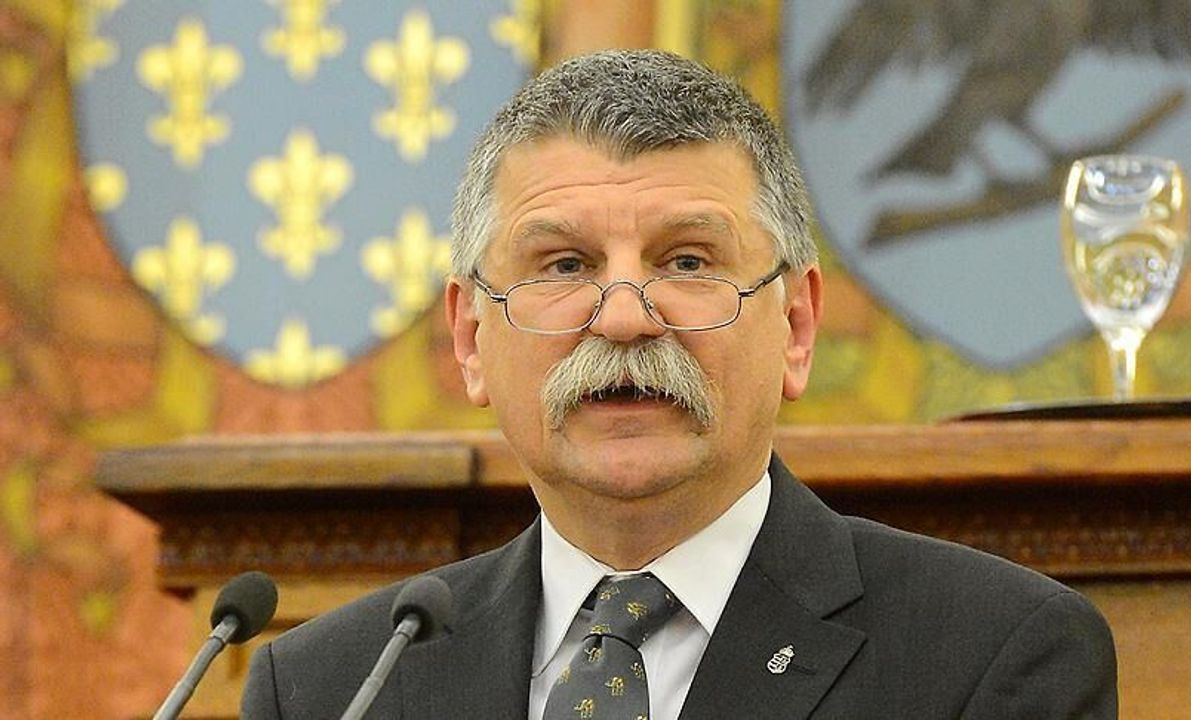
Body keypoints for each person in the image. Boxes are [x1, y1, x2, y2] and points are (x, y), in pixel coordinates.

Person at [241, 49, 1117, 719]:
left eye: (689, 261)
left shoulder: (991, 656)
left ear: (796, 327)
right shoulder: (330, 689)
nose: (625, 317)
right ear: (471, 337)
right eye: (565, 264)